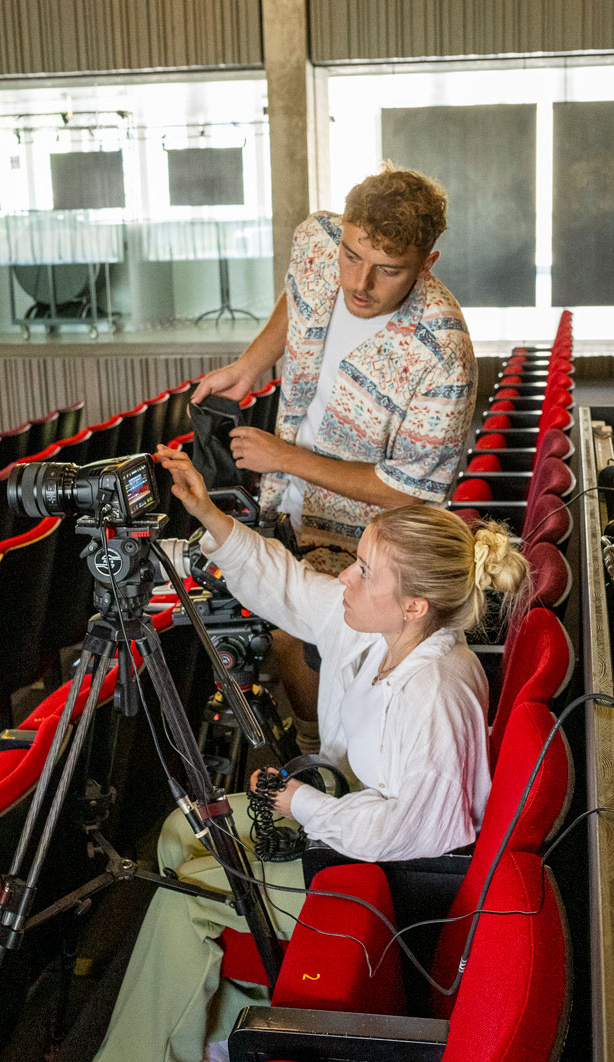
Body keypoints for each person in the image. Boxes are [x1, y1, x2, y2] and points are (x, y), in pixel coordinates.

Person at [90, 444, 527, 1062]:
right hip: (335, 827)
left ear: (415, 605)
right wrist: (208, 513)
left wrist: (302, 803)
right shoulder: (377, 626)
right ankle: (218, 1020)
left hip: (381, 883)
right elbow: (290, 585)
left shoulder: (438, 690)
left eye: (366, 571)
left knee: (182, 901)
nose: (346, 576)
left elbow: (421, 833)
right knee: (185, 828)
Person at [191, 165, 476, 750]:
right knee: (263, 618)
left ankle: (317, 758)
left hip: (367, 541)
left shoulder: (443, 354)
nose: (360, 282)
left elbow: (409, 491)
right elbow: (301, 296)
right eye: (352, 256)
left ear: (427, 264)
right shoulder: (319, 240)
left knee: (295, 638)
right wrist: (250, 365)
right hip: (283, 499)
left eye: (387, 270)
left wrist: (287, 458)